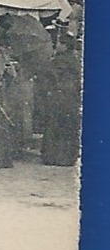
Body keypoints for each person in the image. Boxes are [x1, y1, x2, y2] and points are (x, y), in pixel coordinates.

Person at [36, 33, 81, 167]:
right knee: (67, 128)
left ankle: (53, 156)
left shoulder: (59, 60)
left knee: (55, 126)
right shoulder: (74, 59)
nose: (57, 46)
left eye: (59, 44)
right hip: (71, 98)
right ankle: (66, 157)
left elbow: (49, 75)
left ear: (65, 46)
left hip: (59, 97)